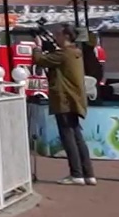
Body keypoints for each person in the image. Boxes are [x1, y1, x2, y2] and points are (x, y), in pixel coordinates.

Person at [35, 25, 95, 186]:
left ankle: (76, 173)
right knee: (77, 136)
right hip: (73, 99)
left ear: (67, 36)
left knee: (68, 136)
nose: (56, 37)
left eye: (58, 34)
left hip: (64, 99)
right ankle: (87, 174)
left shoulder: (64, 54)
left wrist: (38, 48)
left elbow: (39, 60)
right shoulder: (74, 53)